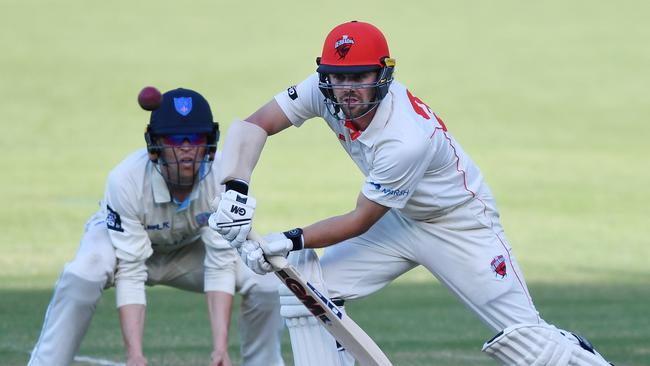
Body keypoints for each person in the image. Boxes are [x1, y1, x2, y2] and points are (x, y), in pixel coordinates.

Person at [209, 21, 613, 366]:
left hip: (459, 224)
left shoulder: (406, 139)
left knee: (530, 344)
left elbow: (359, 220)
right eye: (338, 76)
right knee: (307, 290)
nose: (346, 88)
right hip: (399, 220)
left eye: (359, 77)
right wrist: (235, 190)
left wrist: (288, 239)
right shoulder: (322, 88)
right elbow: (255, 124)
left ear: (382, 75)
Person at [28, 88, 285, 366]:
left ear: (209, 142)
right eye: (175, 139)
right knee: (87, 267)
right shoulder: (125, 179)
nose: (186, 148)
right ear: (155, 145)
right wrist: (135, 356)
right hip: (121, 249)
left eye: (196, 138)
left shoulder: (225, 175)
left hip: (186, 251)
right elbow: (131, 269)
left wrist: (220, 349)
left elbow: (220, 263)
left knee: (264, 275)